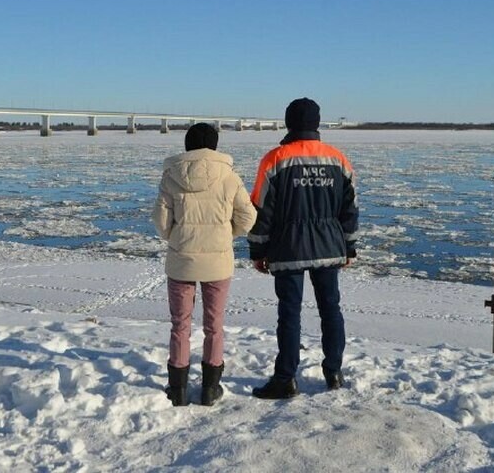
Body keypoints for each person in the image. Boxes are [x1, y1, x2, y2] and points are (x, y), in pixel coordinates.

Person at [248, 97, 359, 399]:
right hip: (328, 246)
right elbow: (350, 209)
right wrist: (349, 247)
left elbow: (260, 209)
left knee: (289, 313)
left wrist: (257, 250)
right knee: (330, 309)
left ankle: (285, 378)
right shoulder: (338, 159)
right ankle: (333, 372)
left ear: (288, 123)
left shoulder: (275, 159)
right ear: (317, 123)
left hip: (288, 248)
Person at [152, 122, 257, 406]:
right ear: (215, 145)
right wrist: (224, 235)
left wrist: (178, 237)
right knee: (214, 324)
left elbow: (162, 223)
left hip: (181, 261)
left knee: (180, 325)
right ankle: (211, 389)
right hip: (218, 263)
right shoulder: (229, 177)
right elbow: (248, 218)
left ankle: (179, 390)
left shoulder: (171, 176)